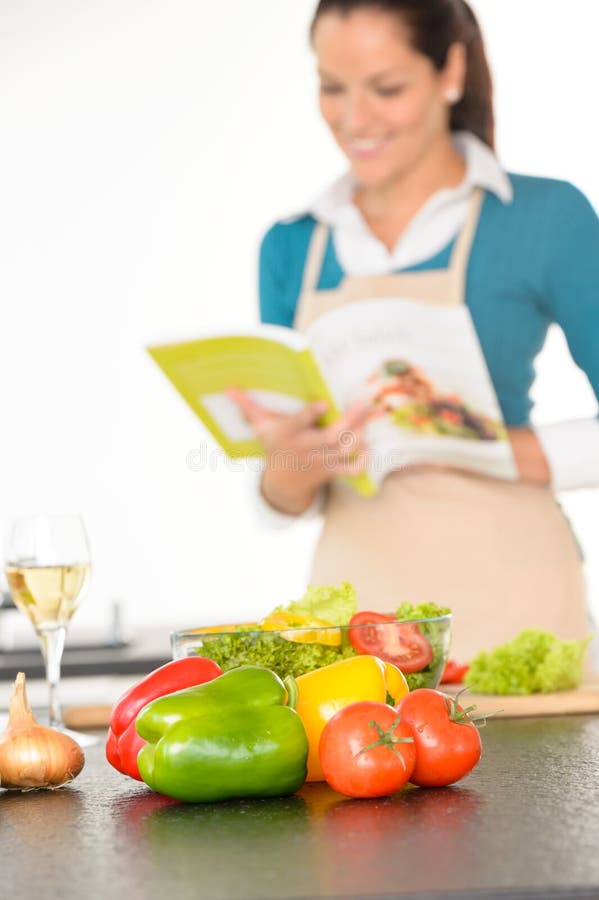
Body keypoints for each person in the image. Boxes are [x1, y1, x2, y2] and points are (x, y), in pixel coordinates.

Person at [232, 0, 599, 661]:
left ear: (449, 72)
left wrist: (484, 448)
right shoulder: (290, 247)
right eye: (331, 88)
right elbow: (283, 496)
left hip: (517, 611)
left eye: (387, 88)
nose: (353, 118)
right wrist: (289, 466)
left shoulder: (545, 219)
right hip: (354, 625)